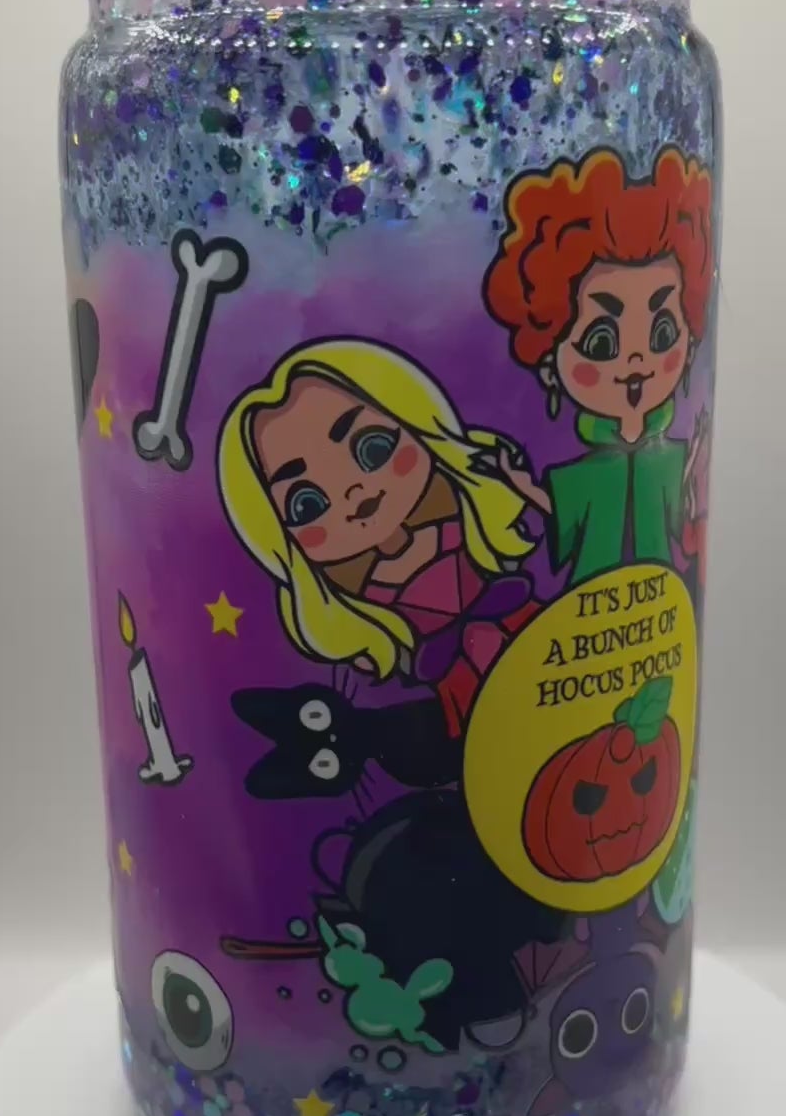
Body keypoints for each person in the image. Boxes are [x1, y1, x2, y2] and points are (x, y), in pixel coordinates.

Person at [217, 338, 538, 735]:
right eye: (307, 504)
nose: (353, 491)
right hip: (457, 693)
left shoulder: (464, 526)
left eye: (373, 448)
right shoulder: (361, 598)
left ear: (422, 430)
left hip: (544, 640)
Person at [483, 145, 714, 587]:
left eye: (663, 332)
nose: (636, 359)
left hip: (663, 605)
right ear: (550, 361)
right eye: (601, 342)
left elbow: (683, 507)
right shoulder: (586, 470)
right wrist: (518, 483)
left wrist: (697, 458)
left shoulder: (667, 451)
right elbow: (558, 507)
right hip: (583, 605)